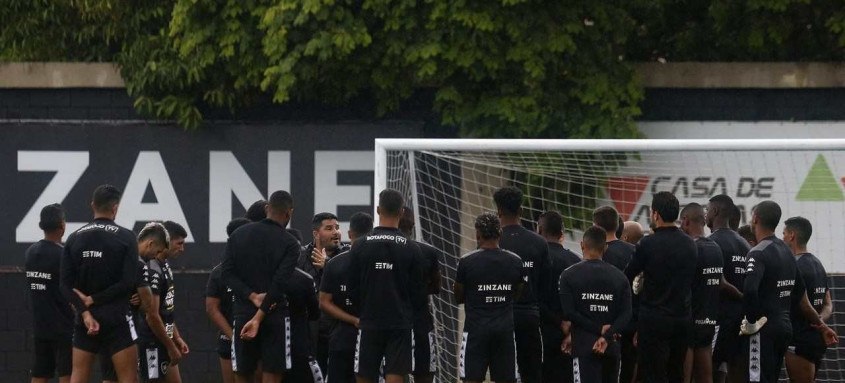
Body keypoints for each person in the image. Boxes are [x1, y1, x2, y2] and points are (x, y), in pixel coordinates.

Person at [739, 201, 837, 383]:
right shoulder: (787, 252)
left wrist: (752, 323)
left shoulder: (757, 252)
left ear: (755, 219)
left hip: (765, 330)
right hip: (785, 330)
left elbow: (750, 290)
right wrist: (822, 326)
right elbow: (804, 300)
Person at [60, 185, 141, 383]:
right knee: (128, 379)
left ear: (92, 205)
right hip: (118, 319)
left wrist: (85, 311)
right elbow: (128, 282)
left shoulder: (74, 238)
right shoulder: (127, 237)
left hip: (85, 322)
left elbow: (64, 285)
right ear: (115, 207)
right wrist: (95, 299)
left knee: (78, 377)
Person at [347, 189, 426, 383]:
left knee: (365, 375)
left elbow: (351, 288)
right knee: (396, 374)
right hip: (399, 323)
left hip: (369, 321)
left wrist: (363, 310)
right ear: (401, 212)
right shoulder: (412, 248)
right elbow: (419, 293)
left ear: (377, 209)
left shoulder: (360, 245)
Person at [222, 190, 301, 383]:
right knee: (272, 372)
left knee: (243, 372)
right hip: (274, 316)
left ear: (267, 208)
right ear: (289, 213)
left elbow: (227, 274)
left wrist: (251, 296)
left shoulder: (238, 235)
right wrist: (260, 315)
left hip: (243, 313)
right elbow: (279, 283)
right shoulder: (290, 243)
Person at [624, 191, 696, 382]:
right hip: (682, 318)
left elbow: (628, 276)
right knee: (676, 371)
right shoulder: (690, 244)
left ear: (655, 214)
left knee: (651, 373)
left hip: (654, 319)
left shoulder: (647, 244)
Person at [98, 223, 180, 383]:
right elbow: (151, 311)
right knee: (127, 378)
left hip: (107, 324)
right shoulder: (140, 264)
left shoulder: (118, 259)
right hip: (126, 332)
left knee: (111, 377)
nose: (155, 256)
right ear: (150, 244)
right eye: (156, 252)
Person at [454, 212, 525, 383]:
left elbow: (458, 297)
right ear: (500, 233)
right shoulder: (515, 261)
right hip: (504, 332)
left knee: (471, 379)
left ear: (478, 234)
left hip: (476, 332)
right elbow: (517, 293)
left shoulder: (466, 262)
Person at [492, 186, 550, 383]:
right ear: (521, 210)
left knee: (502, 374)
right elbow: (546, 287)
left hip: (499, 316)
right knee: (531, 373)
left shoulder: (491, 243)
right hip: (529, 317)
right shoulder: (539, 243)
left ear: (498, 211)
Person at [560, 225, 632, 383]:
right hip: (610, 347)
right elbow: (626, 314)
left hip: (584, 347)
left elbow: (569, 312)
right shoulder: (620, 277)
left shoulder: (568, 275)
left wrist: (597, 329)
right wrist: (606, 335)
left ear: (582, 245)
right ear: (605, 248)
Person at [320, 212, 373, 383]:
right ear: (372, 234)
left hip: (342, 337)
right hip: (372, 336)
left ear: (350, 234)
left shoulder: (334, 263)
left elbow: (324, 302)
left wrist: (352, 320)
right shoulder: (379, 263)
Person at [26, 204, 73, 383]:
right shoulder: (63, 255)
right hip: (64, 327)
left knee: (40, 372)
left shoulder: (30, 253)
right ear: (62, 226)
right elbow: (71, 290)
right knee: (67, 373)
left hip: (40, 326)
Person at [782, 216, 832, 383]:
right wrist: (820, 321)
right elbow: (828, 304)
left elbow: (804, 305)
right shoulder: (818, 265)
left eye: (784, 234)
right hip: (816, 340)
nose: (782, 238)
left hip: (799, 341)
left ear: (792, 235)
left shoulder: (794, 266)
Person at [706, 195, 750, 383]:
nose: (706, 215)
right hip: (741, 321)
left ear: (715, 211)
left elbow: (717, 282)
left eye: (707, 210)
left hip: (717, 320)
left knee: (707, 370)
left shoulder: (711, 243)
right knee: (735, 370)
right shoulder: (745, 245)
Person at [680, 203, 725, 383]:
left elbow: (681, 285)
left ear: (686, 221)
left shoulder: (689, 248)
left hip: (689, 320)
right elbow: (721, 282)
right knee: (706, 377)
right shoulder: (715, 247)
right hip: (709, 321)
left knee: (684, 378)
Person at [299, 213, 348, 372]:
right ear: (316, 234)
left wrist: (327, 266)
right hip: (310, 330)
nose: (336, 232)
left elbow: (353, 286)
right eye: (329, 228)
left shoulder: (348, 255)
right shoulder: (300, 256)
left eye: (337, 228)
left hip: (340, 327)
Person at [536, 211, 580, 383]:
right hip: (569, 336)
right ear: (562, 234)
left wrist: (556, 321)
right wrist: (572, 329)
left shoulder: (535, 260)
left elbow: (533, 299)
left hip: (540, 334)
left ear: (539, 231)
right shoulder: (576, 262)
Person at [399, 209, 442, 383]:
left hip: (392, 321)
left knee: (392, 372)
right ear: (413, 225)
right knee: (424, 372)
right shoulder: (428, 251)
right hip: (420, 320)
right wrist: (419, 290)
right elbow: (436, 287)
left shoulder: (380, 250)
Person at [207, 218, 251, 383]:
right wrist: (233, 336)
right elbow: (212, 308)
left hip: (255, 338)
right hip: (229, 340)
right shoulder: (219, 272)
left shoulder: (259, 270)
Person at [286, 267, 324, 383]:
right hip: (298, 344)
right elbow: (315, 314)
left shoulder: (262, 277)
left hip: (272, 343)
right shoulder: (304, 279)